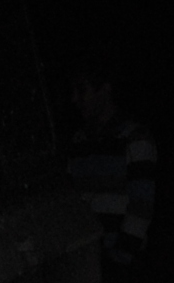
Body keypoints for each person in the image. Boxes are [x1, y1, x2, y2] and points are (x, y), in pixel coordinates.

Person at [65, 66, 156, 270]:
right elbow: (72, 201)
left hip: (122, 264)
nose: (74, 99)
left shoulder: (135, 138)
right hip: (86, 261)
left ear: (105, 90)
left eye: (82, 90)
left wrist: (120, 256)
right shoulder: (79, 142)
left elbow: (141, 207)